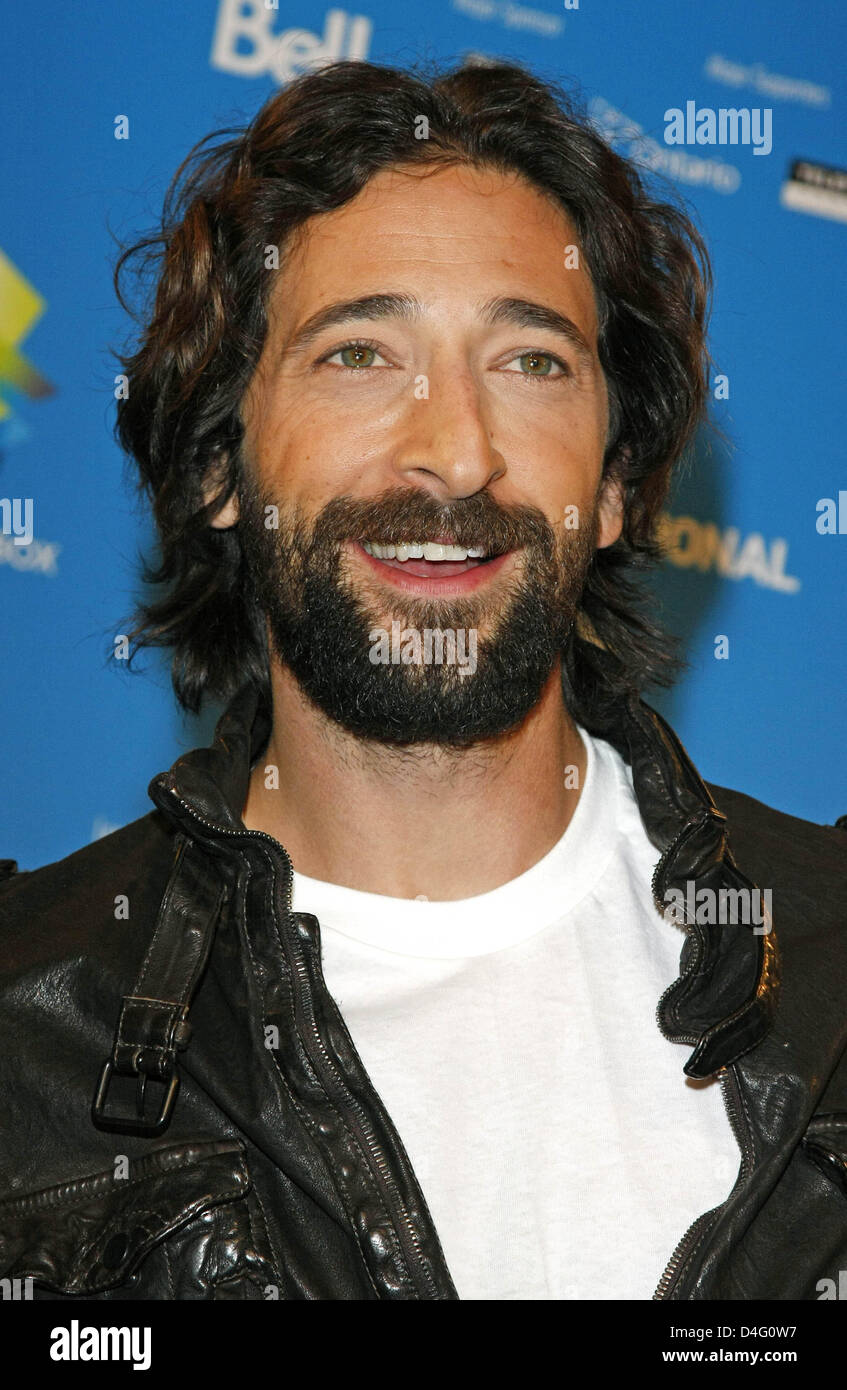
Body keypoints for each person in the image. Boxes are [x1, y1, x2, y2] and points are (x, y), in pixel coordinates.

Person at [1, 58, 845, 1303]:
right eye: (356, 354)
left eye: (530, 361)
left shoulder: (831, 968)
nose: (454, 449)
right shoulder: (29, 1024)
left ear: (613, 482)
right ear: (221, 464)